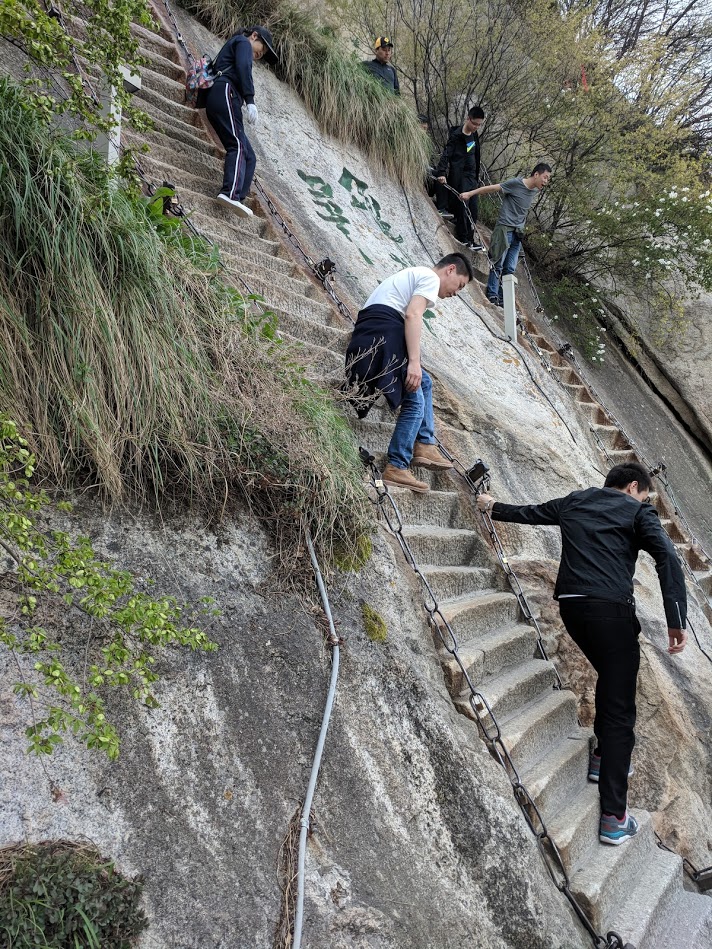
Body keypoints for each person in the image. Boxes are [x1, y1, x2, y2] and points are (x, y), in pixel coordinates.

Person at [475, 462, 687, 845]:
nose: (644, 501)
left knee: (612, 676)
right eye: (644, 495)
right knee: (621, 707)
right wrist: (675, 617)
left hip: (573, 608)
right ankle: (613, 817)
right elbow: (667, 558)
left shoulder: (577, 501)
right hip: (611, 611)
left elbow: (531, 514)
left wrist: (492, 505)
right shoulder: (638, 510)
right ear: (633, 487)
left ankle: (603, 756)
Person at [345, 254, 474, 493]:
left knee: (424, 382)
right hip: (384, 330)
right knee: (414, 400)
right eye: (460, 285)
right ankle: (397, 465)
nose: (456, 292)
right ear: (450, 270)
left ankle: (424, 443)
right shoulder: (429, 277)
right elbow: (413, 315)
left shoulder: (412, 275)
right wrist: (414, 361)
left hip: (374, 329)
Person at [205, 26, 278, 218]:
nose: (259, 55)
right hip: (225, 93)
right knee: (237, 146)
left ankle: (238, 197)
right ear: (254, 36)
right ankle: (229, 193)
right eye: (261, 49)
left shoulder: (236, 45)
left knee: (249, 155)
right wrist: (250, 99)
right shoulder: (243, 43)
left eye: (261, 55)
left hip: (220, 97)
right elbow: (244, 67)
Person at [461, 162, 552, 306]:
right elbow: (492, 188)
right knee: (498, 263)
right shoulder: (516, 184)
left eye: (548, 179)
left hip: (518, 234)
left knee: (510, 269)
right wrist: (470, 194)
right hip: (504, 229)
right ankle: (492, 295)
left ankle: (504, 300)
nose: (546, 182)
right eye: (545, 177)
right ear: (536, 174)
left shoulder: (535, 190)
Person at [435, 106, 485, 250]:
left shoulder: (474, 135)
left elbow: (475, 155)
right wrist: (441, 172)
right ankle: (464, 238)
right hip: (460, 176)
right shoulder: (456, 135)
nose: (476, 127)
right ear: (468, 119)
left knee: (474, 209)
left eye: (479, 125)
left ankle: (470, 238)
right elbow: (446, 154)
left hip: (472, 177)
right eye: (474, 123)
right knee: (464, 207)